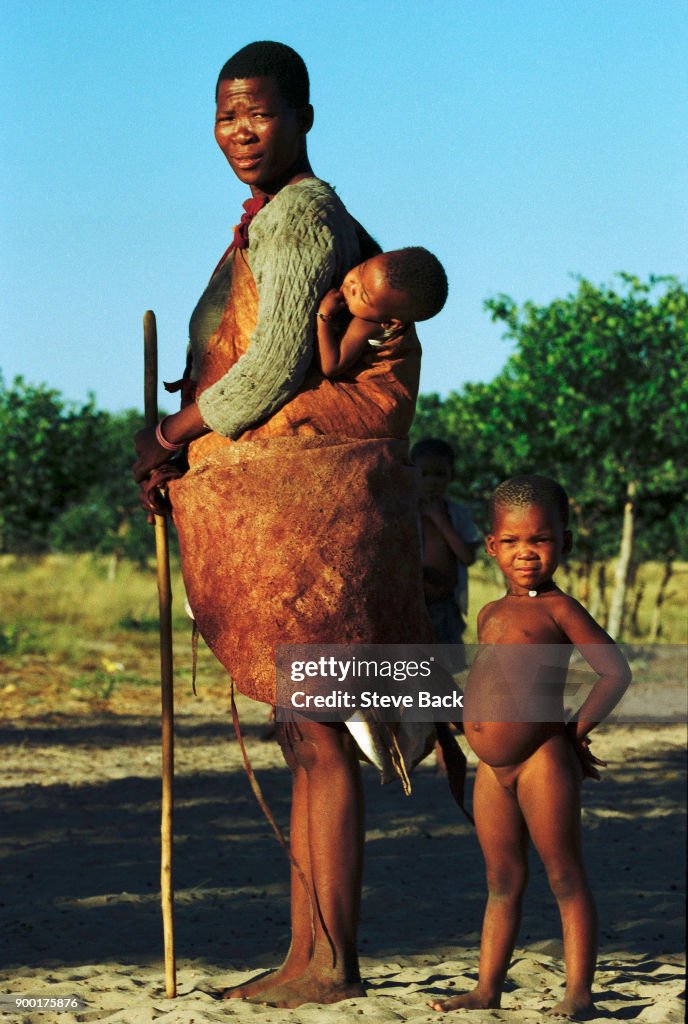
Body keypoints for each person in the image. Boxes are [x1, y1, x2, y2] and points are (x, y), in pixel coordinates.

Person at [133, 42, 437, 1009]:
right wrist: (184, 462)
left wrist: (170, 433)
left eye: (259, 112)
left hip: (314, 518)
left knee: (318, 727)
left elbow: (269, 374)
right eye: (226, 115)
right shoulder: (272, 223)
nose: (241, 132)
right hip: (290, 512)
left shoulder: (302, 221)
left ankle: (332, 964)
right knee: (305, 730)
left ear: (304, 115)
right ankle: (308, 955)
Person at [429, 475, 631, 1018]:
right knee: (500, 880)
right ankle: (487, 988)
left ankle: (579, 993)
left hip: (543, 759)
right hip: (492, 770)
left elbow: (614, 672)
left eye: (539, 541)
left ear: (565, 542)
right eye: (513, 543)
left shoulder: (558, 610)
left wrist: (574, 731)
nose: (526, 554)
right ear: (492, 546)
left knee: (564, 875)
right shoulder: (490, 612)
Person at [316, 247, 447, 377]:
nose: (352, 285)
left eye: (363, 296)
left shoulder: (366, 324)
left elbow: (332, 366)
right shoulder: (387, 308)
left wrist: (324, 316)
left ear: (391, 323)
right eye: (361, 269)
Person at [410, 438, 480, 667]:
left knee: (448, 671)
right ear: (411, 473)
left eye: (439, 474)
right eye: (425, 474)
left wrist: (440, 521)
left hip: (445, 606)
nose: (432, 481)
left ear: (452, 475)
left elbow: (467, 557)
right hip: (411, 608)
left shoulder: (457, 514)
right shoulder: (402, 513)